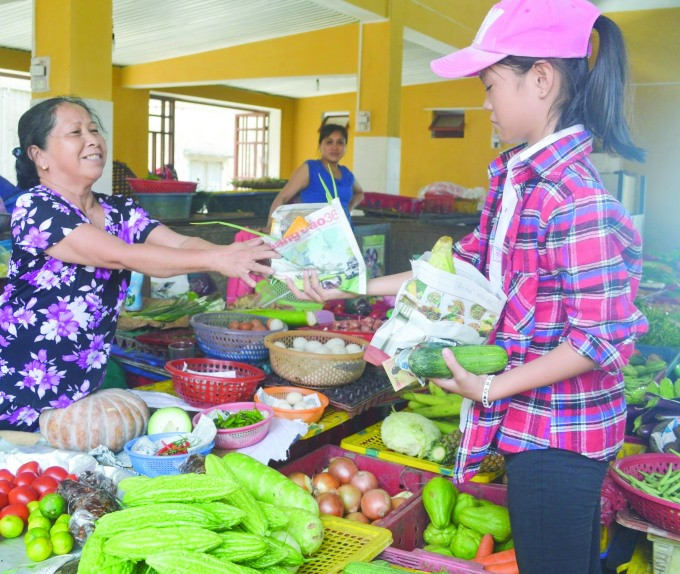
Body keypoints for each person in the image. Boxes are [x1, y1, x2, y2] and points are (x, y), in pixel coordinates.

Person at [287, 1, 648, 573]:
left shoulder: (574, 198)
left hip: (562, 438)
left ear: (542, 78)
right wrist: (348, 287)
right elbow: (456, 269)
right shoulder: (518, 185)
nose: (484, 104)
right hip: (532, 426)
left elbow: (598, 340)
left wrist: (489, 388)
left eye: (489, 85)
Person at [0, 96, 278, 430]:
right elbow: (121, 254)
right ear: (39, 156)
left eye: (94, 129)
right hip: (23, 382)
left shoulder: (119, 210)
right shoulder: (36, 207)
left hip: (81, 380)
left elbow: (181, 242)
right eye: (76, 132)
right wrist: (219, 259)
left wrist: (239, 255)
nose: (93, 139)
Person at [263, 123, 364, 232]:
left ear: (345, 146)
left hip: (344, 237)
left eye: (340, 142)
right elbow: (282, 197)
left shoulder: (347, 174)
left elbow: (359, 193)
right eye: (329, 142)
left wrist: (348, 208)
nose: (335, 147)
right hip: (313, 238)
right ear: (320, 145)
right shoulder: (310, 169)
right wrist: (270, 227)